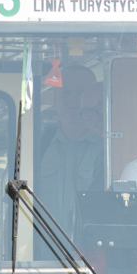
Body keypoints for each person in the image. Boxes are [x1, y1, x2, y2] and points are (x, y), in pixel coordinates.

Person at [36, 64, 104, 230]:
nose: (73, 98)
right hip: (39, 254)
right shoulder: (36, 148)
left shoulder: (110, 149)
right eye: (65, 92)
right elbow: (13, 206)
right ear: (54, 99)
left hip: (89, 253)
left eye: (81, 92)